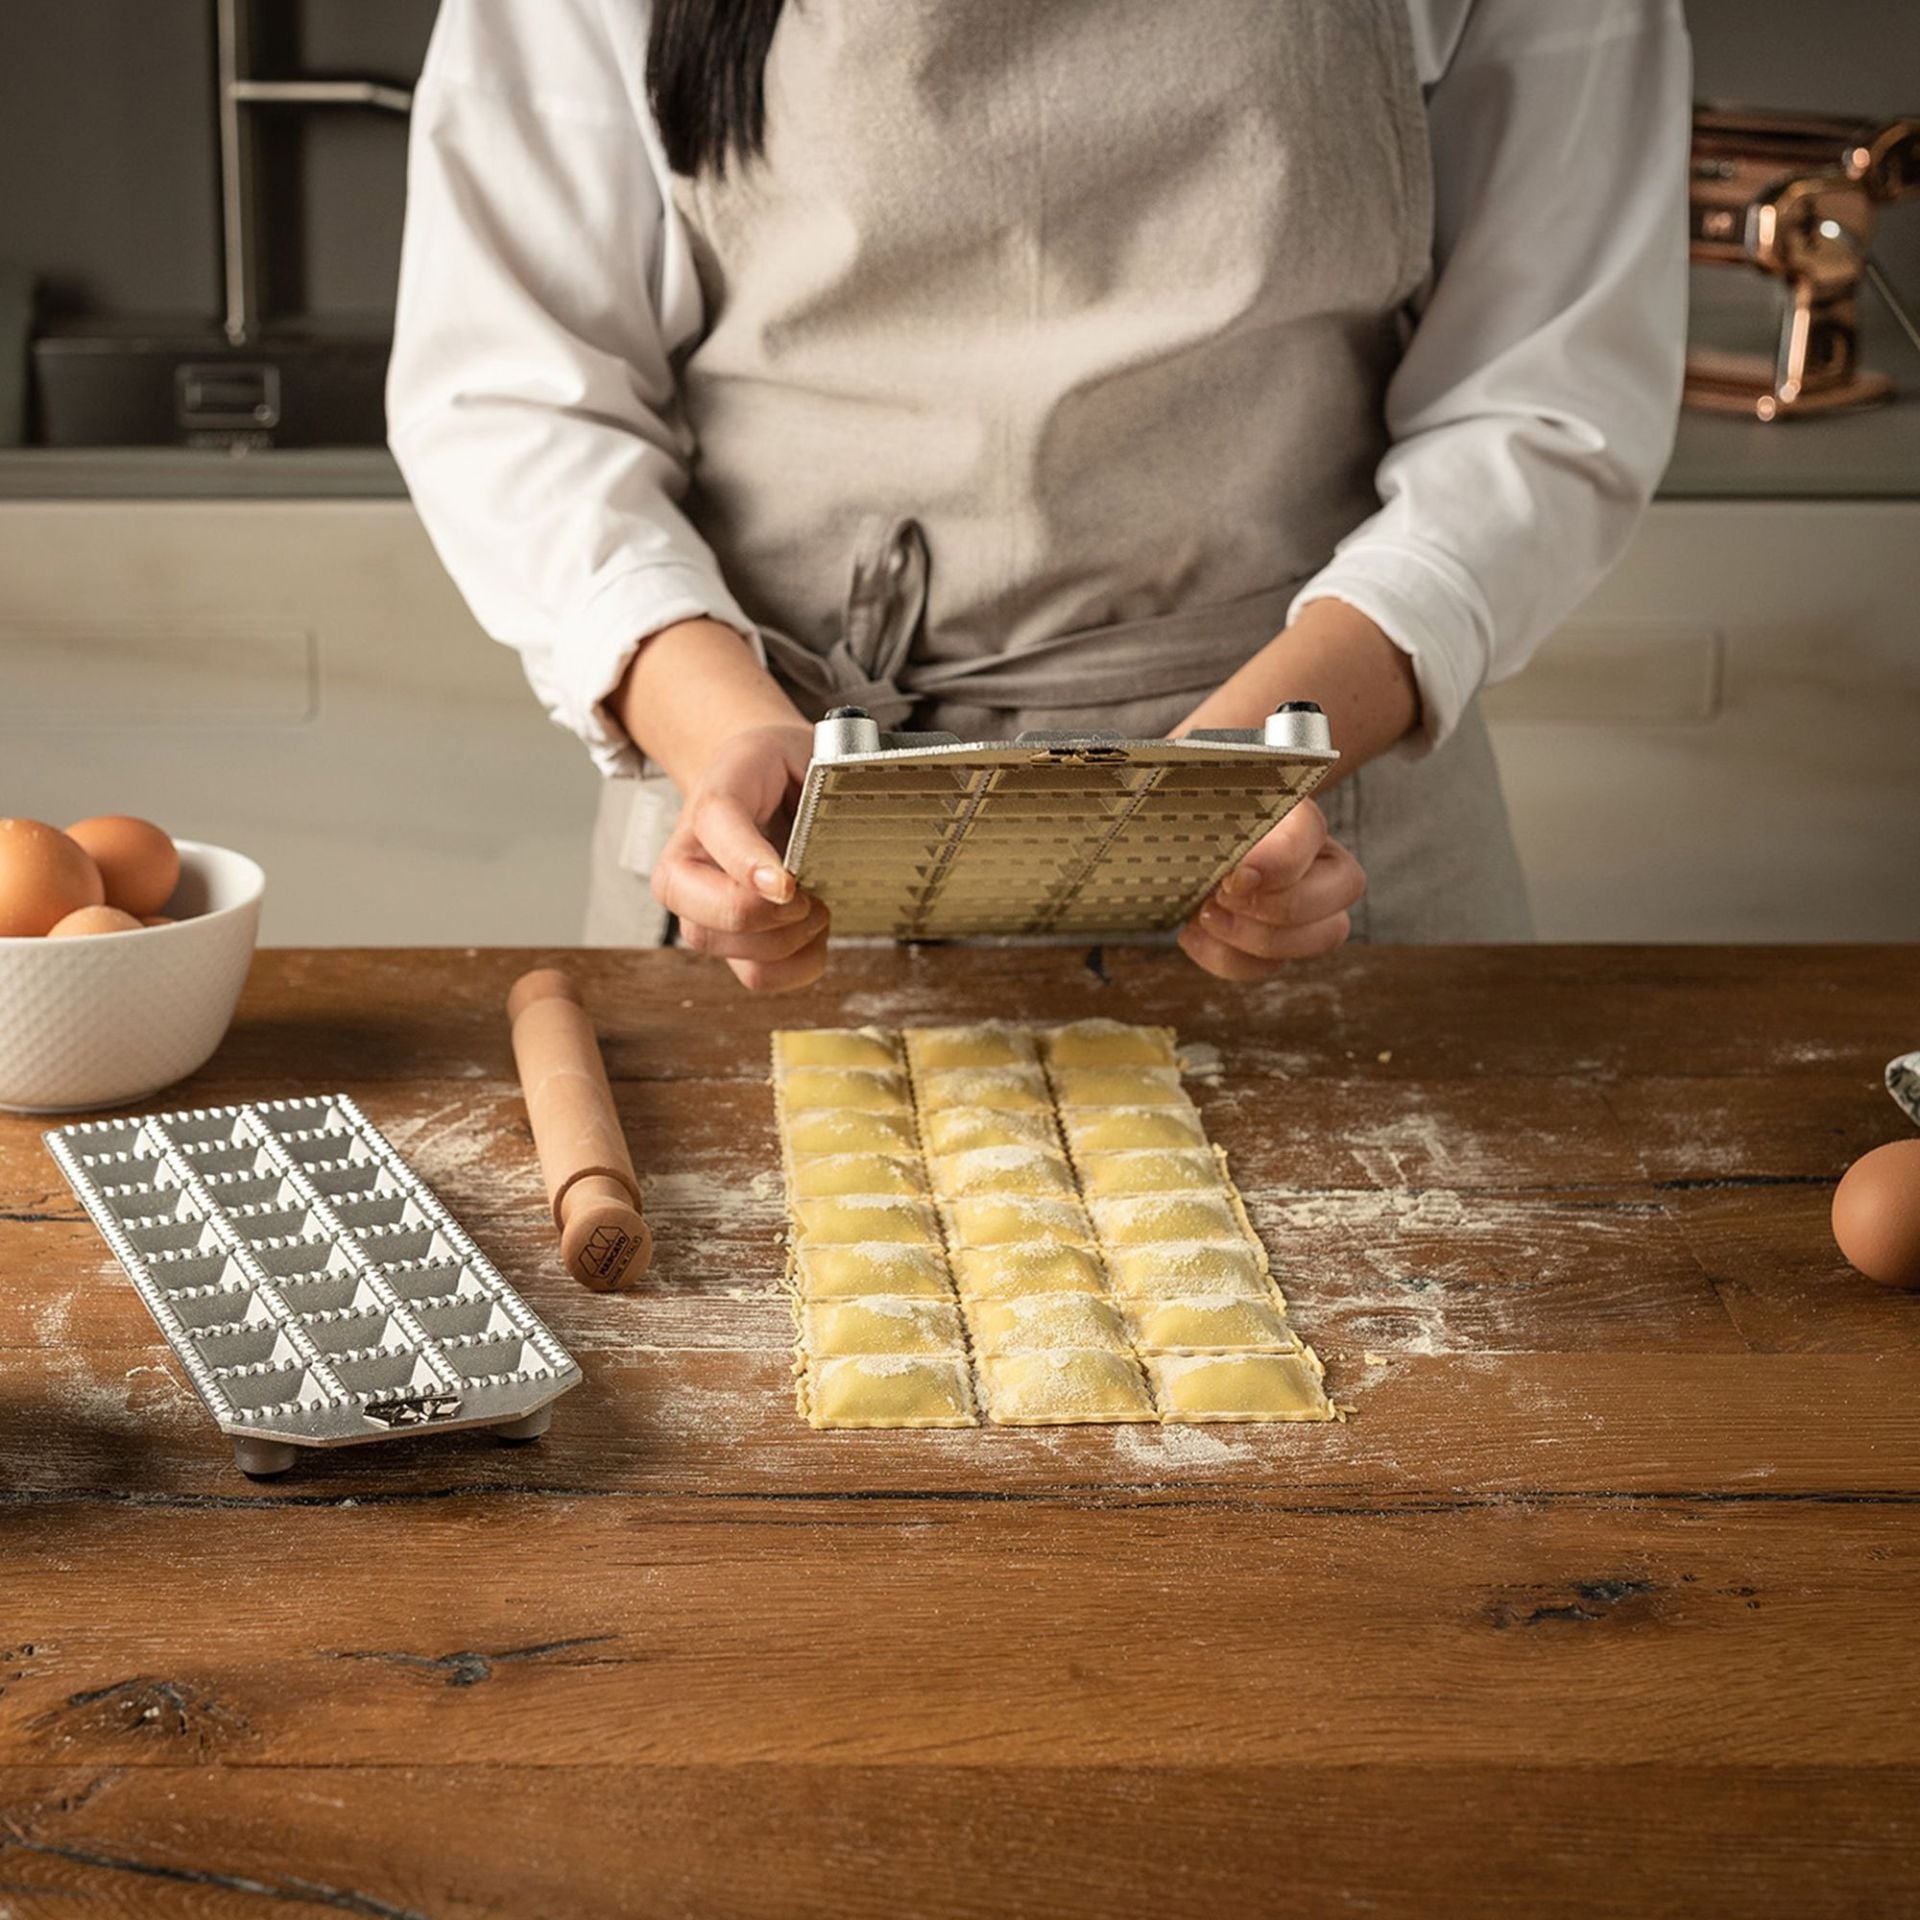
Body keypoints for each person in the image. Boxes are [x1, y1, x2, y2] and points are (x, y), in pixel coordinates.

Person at [389, 0, 1689, 990]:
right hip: (772, 848)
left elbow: (1545, 395)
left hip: (1305, 842)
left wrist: (1256, 763)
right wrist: (717, 726)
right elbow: (515, 390)